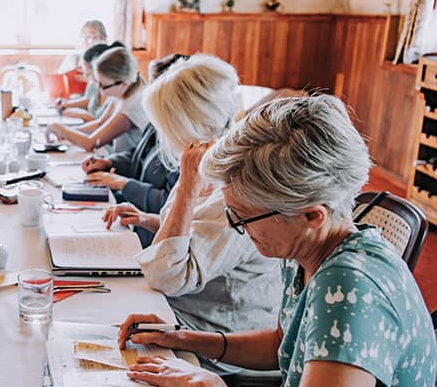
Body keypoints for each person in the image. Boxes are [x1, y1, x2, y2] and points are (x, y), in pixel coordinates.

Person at [119, 95, 437, 387]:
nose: (237, 227)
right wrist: (185, 338)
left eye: (242, 217)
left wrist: (208, 384)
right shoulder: (307, 247)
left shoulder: (353, 292)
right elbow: (282, 344)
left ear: (312, 216)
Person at [103, 54, 281, 345]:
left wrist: (187, 186)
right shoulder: (205, 159)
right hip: (182, 310)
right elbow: (195, 232)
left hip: (217, 333)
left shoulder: (236, 183)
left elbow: (167, 276)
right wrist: (149, 219)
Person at [82, 54, 187, 246]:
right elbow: (137, 154)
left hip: (150, 231)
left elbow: (168, 202)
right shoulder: (159, 120)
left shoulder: (187, 140)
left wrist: (122, 183)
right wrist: (110, 162)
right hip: (131, 212)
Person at [45, 46, 149, 153]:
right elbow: (99, 124)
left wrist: (59, 128)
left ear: (124, 83)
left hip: (125, 165)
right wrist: (67, 132)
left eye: (103, 85)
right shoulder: (122, 91)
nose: (98, 88)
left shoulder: (130, 106)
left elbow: (90, 143)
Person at [54, 41, 123, 122]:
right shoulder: (94, 83)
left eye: (89, 74)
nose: (86, 77)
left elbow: (103, 125)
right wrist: (67, 104)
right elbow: (89, 99)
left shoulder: (113, 91)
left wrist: (82, 115)